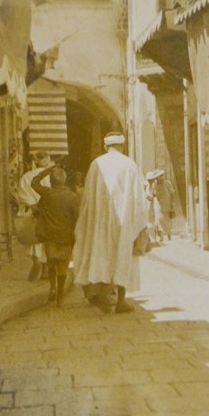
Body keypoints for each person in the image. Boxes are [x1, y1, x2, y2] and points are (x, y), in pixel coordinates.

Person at [73, 132, 148, 314]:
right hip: (123, 221)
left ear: (106, 147)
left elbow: (88, 198)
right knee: (123, 256)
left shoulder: (96, 164)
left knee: (101, 255)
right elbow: (139, 199)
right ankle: (121, 301)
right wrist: (140, 223)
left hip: (99, 221)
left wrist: (88, 220)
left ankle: (102, 296)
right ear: (122, 146)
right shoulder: (130, 165)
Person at [31, 164, 80, 306]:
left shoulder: (47, 193)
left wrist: (46, 170)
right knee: (63, 266)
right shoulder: (72, 196)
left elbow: (34, 182)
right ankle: (60, 298)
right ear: (64, 180)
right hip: (66, 236)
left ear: (51, 181)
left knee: (51, 262)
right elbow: (76, 217)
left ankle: (52, 287)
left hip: (50, 235)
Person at [17, 151, 51, 279]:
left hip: (32, 211)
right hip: (47, 211)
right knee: (46, 239)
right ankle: (45, 269)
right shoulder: (50, 175)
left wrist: (32, 205)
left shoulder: (27, 176)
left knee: (34, 238)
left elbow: (22, 195)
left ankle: (36, 261)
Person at [151, 169, 174, 242]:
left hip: (167, 204)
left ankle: (168, 234)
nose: (161, 177)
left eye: (162, 176)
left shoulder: (167, 183)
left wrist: (172, 204)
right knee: (158, 219)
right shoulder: (154, 184)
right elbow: (153, 194)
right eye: (159, 176)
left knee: (167, 219)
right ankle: (161, 236)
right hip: (158, 204)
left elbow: (172, 193)